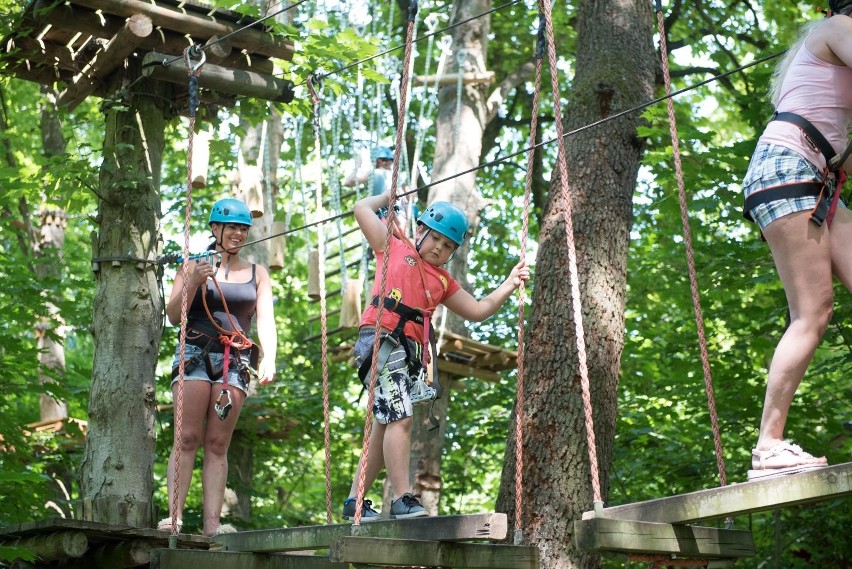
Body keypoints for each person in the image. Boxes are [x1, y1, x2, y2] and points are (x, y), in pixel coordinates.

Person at [341, 188, 530, 521]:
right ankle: (401, 499)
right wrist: (388, 195)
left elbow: (478, 310)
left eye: (447, 247)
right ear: (420, 231)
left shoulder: (443, 281)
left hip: (404, 353)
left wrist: (509, 284)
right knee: (401, 418)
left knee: (386, 424)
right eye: (435, 239)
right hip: (380, 342)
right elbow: (360, 208)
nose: (439, 249)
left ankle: (354, 502)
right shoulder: (392, 246)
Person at [741, 0, 852, 480]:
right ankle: (768, 445)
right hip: (788, 169)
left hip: (819, 178)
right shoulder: (838, 26)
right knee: (813, 312)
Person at [160, 198, 277, 535]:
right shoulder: (191, 266)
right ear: (215, 229)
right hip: (195, 351)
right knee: (187, 437)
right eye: (232, 227)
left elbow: (265, 320)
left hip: (234, 360)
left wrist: (269, 355)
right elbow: (172, 315)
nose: (238, 233)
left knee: (216, 443)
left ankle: (213, 525)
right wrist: (195, 280)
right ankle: (175, 518)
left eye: (243, 228)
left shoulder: (258, 273)